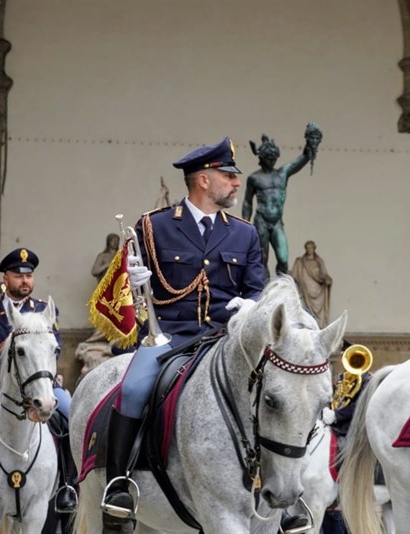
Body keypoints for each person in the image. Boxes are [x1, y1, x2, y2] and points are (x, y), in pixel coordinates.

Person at [104, 137, 302, 529]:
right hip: (171, 336)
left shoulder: (244, 234)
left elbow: (255, 289)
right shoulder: (154, 225)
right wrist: (131, 277)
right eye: (228, 176)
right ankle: (118, 483)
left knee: (283, 393)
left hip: (225, 339)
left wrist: (250, 306)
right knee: (132, 389)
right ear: (203, 181)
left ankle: (291, 501)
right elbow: (125, 290)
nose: (235, 184)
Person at [0, 249, 78, 514]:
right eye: (18, 276)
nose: (25, 282)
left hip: (38, 385)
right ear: (5, 278)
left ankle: (67, 483)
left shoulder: (44, 310)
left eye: (29, 276)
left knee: (69, 411)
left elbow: (56, 346)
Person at [242, 123, 322, 276]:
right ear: (261, 158)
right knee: (261, 260)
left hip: (277, 221)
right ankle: (264, 291)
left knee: (283, 258)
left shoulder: (282, 173)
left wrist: (309, 144)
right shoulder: (254, 178)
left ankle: (281, 289)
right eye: (268, 158)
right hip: (261, 221)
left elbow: (301, 159)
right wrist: (245, 225)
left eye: (273, 158)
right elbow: (247, 202)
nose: (272, 161)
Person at [291, 240, 333, 327]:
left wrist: (327, 279)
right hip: (305, 290)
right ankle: (309, 325)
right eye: (307, 248)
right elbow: (294, 275)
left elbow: (324, 274)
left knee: (319, 314)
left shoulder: (319, 261)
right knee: (306, 310)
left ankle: (319, 325)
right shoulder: (300, 262)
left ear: (314, 249)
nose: (309, 250)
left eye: (311, 248)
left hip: (318, 290)